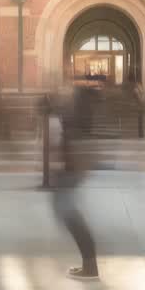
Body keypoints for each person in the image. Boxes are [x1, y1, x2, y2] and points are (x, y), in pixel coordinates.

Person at [52, 86, 99, 280]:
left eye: (71, 95)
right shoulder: (80, 116)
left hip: (70, 173)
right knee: (69, 215)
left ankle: (90, 268)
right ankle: (89, 265)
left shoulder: (75, 118)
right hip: (71, 172)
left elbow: (72, 144)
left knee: (71, 217)